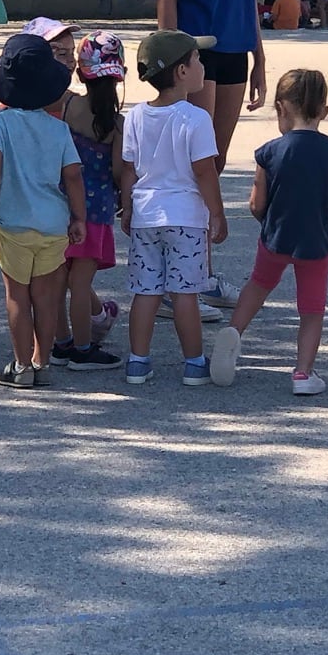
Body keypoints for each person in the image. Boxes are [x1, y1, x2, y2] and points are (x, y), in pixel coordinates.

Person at [157, 0, 265, 312]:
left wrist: (260, 56)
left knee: (215, 164)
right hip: (194, 49)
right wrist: (168, 56)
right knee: (192, 166)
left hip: (236, 45)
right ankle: (180, 277)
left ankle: (196, 273)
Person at [210, 69, 328, 397]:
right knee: (312, 308)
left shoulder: (269, 152)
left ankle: (234, 332)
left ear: (280, 108)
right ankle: (303, 372)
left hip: (275, 237)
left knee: (258, 285)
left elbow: (256, 203)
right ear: (324, 111)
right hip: (316, 243)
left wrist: (267, 218)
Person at [117, 30, 228, 388]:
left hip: (147, 215)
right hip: (185, 219)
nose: (202, 65)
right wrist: (217, 212)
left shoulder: (135, 116)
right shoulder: (195, 119)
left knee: (146, 291)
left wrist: (128, 208)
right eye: (197, 60)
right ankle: (194, 363)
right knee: (185, 293)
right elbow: (204, 171)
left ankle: (138, 361)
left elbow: (129, 169)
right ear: (182, 71)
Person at [0, 34, 86, 388]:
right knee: (46, 296)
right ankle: (43, 360)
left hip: (14, 223)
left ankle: (21, 366)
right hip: (54, 224)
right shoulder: (58, 129)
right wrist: (79, 217)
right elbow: (72, 176)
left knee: (17, 296)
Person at [46, 25, 125, 371]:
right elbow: (121, 172)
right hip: (97, 212)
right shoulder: (118, 124)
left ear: (80, 71)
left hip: (63, 205)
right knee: (81, 283)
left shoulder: (66, 107)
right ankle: (82, 348)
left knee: (60, 278)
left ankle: (61, 343)